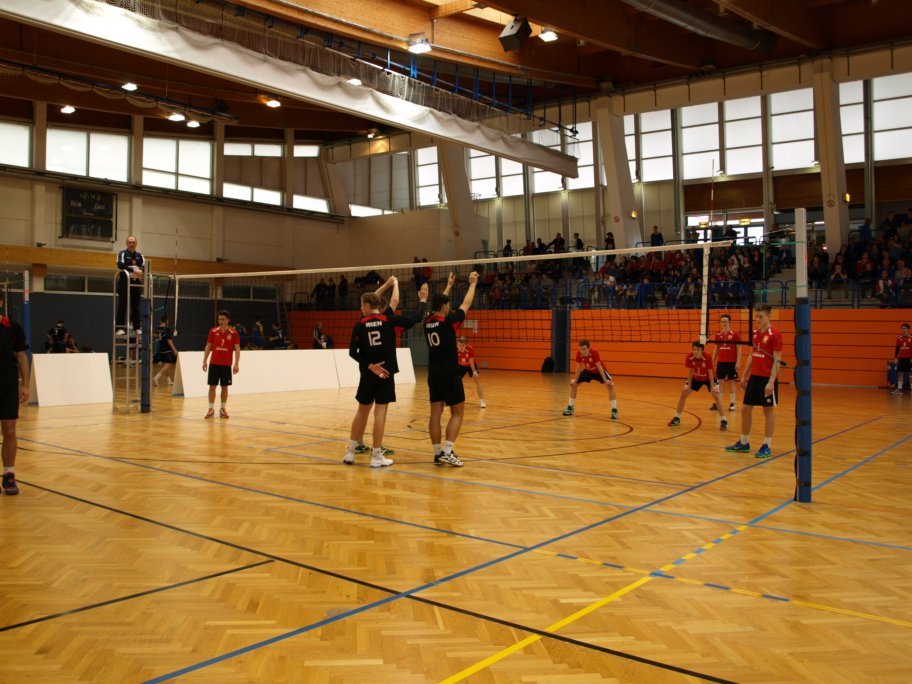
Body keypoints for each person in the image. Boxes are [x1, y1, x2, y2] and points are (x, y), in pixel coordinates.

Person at [343, 285, 429, 467]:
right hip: (385, 374)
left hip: (368, 374)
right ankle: (376, 457)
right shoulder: (389, 321)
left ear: (368, 305)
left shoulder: (360, 324)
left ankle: (350, 453)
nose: (360, 308)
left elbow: (352, 352)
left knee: (361, 412)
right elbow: (416, 318)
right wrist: (422, 299)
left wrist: (370, 366)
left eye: (361, 305)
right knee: (380, 413)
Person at [425, 271, 479, 467]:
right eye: (447, 305)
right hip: (449, 373)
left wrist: (448, 286)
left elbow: (438, 304)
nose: (450, 308)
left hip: (433, 374)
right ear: (444, 307)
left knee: (435, 414)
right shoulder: (449, 322)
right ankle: (448, 452)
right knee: (458, 412)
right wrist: (472, 284)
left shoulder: (427, 322)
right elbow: (466, 303)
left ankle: (437, 454)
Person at [726, 305, 782, 459]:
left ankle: (767, 445)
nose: (758, 319)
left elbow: (777, 359)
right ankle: (744, 442)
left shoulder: (775, 334)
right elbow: (752, 355)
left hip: (767, 378)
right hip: (754, 377)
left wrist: (771, 381)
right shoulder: (755, 333)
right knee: (745, 409)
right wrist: (744, 376)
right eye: (756, 317)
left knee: (768, 411)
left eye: (761, 317)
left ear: (769, 316)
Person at [0, 290, 29, 495]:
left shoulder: (13, 327)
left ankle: (9, 475)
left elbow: (21, 356)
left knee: (9, 431)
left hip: (8, 386)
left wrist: (25, 384)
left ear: (1, 302)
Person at [668, 342, 728, 430]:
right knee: (684, 393)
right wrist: (689, 385)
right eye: (694, 349)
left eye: (698, 349)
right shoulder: (689, 357)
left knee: (716, 396)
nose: (695, 351)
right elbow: (690, 371)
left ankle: (724, 421)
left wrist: (712, 387)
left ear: (702, 350)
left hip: (709, 378)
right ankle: (677, 418)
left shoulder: (707, 357)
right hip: (697, 377)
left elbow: (710, 373)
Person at [563, 340, 619, 419]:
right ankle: (570, 408)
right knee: (573, 385)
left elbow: (599, 366)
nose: (582, 351)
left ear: (589, 348)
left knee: (610, 386)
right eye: (580, 349)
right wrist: (575, 380)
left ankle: (614, 410)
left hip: (599, 371)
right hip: (588, 371)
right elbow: (579, 367)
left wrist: (605, 381)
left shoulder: (594, 352)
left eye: (584, 349)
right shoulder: (579, 354)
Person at [201, 309, 240, 419]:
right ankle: (210, 409)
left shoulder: (234, 333)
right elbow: (208, 346)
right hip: (214, 364)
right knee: (212, 386)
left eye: (223, 319)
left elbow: (237, 348)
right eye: (219, 319)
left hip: (226, 365)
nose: (221, 321)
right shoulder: (213, 331)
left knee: (225, 387)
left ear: (228, 320)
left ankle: (223, 408)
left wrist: (236, 364)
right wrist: (204, 361)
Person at [709, 314, 741, 412]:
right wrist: (713, 361)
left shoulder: (735, 335)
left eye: (725, 321)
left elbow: (739, 348)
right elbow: (716, 348)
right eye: (722, 321)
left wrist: (738, 362)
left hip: (732, 362)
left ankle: (732, 403)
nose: (724, 323)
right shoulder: (718, 335)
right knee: (720, 383)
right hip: (721, 362)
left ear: (729, 322)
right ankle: (719, 403)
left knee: (732, 382)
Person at [116, 235, 144, 334]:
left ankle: (137, 328)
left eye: (133, 242)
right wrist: (133, 270)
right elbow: (120, 264)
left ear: (136, 244)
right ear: (126, 243)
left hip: (136, 283)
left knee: (136, 306)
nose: (132, 244)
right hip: (124, 282)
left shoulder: (140, 255)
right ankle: (119, 328)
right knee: (122, 305)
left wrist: (141, 272)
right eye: (130, 242)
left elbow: (144, 266)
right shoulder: (122, 253)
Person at [456, 336, 486, 408]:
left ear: (466, 345)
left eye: (462, 346)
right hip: (460, 366)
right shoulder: (454, 349)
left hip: (470, 365)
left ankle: (482, 401)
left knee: (477, 380)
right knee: (454, 381)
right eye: (459, 345)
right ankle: (450, 400)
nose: (460, 347)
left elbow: (471, 361)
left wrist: (474, 372)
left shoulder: (470, 348)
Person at [153, 315, 178, 387]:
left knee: (166, 365)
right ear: (166, 321)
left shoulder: (158, 328)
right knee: (168, 364)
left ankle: (168, 380)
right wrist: (174, 349)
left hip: (161, 349)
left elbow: (156, 335)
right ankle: (156, 377)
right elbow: (169, 340)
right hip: (166, 349)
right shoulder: (166, 329)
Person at [892, 322, 911, 395]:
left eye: (905, 328)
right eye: (902, 328)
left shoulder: (911, 338)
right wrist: (895, 358)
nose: (903, 330)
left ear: (908, 329)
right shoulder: (899, 338)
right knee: (900, 374)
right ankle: (899, 389)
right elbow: (897, 348)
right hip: (901, 358)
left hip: (909, 359)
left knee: (911, 374)